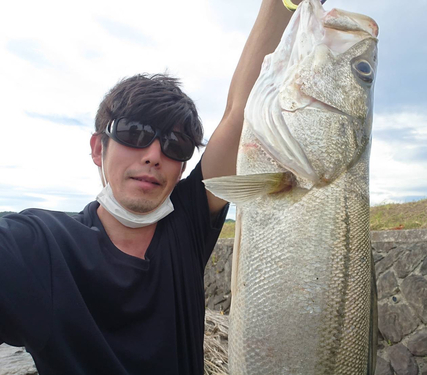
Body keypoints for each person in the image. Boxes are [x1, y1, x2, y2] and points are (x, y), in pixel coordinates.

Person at [0, 0, 298, 374]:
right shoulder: (39, 247)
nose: (154, 154)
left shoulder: (187, 225)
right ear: (98, 148)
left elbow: (241, 113)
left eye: (175, 145)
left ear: (183, 166)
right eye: (135, 133)